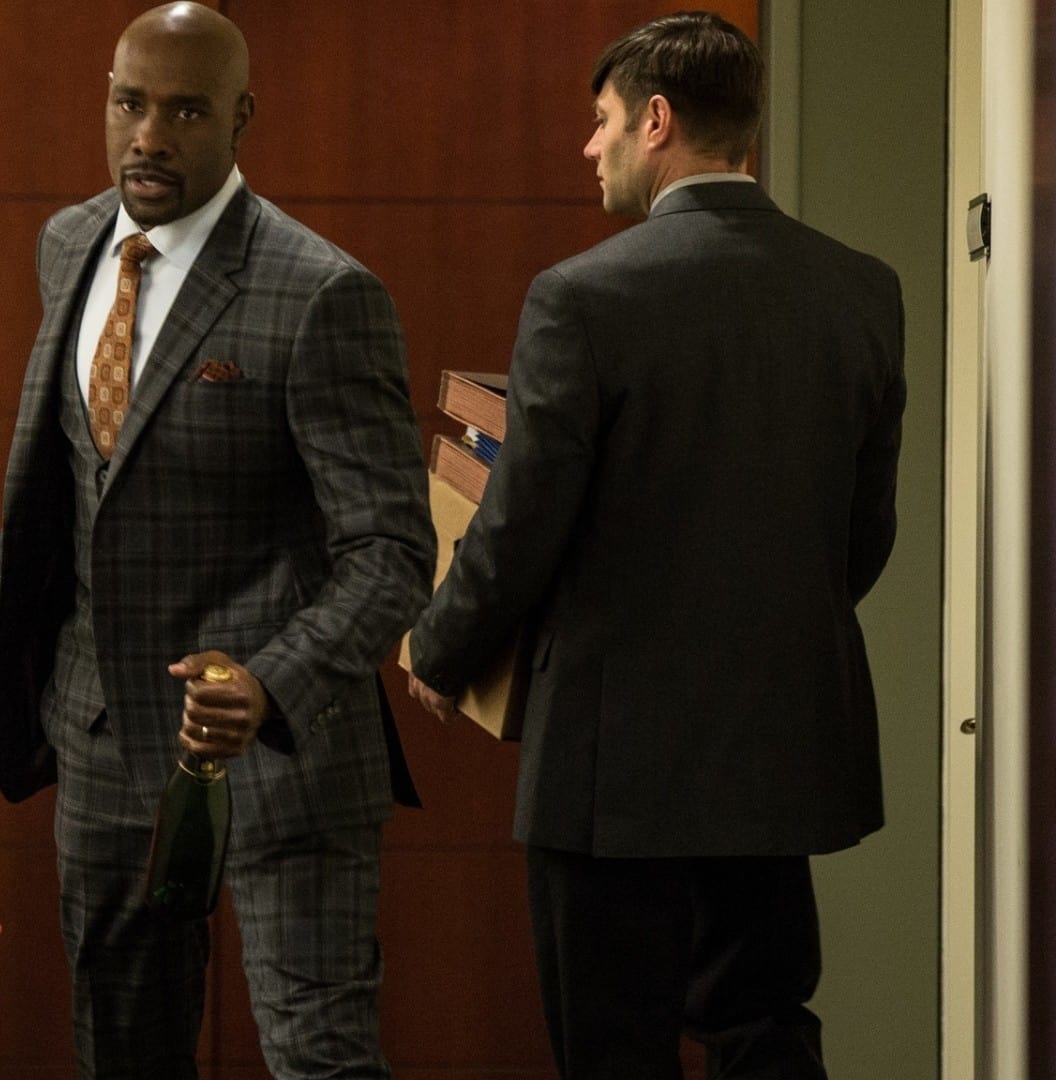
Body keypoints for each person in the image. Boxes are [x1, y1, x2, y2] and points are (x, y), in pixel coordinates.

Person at [0, 5, 430, 1075]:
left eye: (185, 112)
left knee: (320, 1060)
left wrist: (271, 683)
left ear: (241, 117)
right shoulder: (69, 243)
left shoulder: (319, 292)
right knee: (124, 1056)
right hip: (102, 731)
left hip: (281, 749)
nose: (148, 136)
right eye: (129, 104)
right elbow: (102, 483)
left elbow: (392, 552)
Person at [403, 13, 905, 1080]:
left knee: (614, 1050)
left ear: (658, 121)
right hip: (779, 749)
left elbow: (520, 525)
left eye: (602, 121)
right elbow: (863, 539)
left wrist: (438, 649)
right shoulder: (862, 289)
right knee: (765, 1032)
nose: (591, 146)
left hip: (610, 769)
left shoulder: (582, 297)